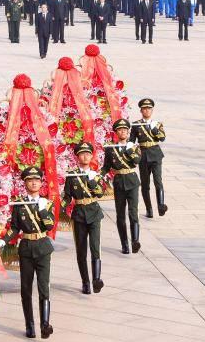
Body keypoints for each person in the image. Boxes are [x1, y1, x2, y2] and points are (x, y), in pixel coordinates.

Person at [0, 167, 55, 339]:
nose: (34, 182)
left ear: (41, 182)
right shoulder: (19, 204)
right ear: (25, 183)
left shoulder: (47, 203)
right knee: (26, 289)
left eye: (37, 180)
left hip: (43, 246)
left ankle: (45, 324)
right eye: (30, 180)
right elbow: (15, 227)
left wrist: (43, 209)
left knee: (44, 287)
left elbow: (50, 226)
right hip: (27, 248)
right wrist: (3, 240)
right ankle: (29, 325)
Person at [62, 142, 105, 295]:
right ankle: (85, 282)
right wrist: (60, 205)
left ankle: (96, 279)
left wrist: (92, 179)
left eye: (88, 153)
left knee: (95, 247)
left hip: (94, 212)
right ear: (77, 156)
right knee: (81, 251)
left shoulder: (96, 174)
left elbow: (100, 193)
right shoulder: (72, 175)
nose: (85, 156)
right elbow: (67, 196)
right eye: (82, 154)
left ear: (91, 156)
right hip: (79, 214)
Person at [102, 118, 141, 254]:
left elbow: (137, 161)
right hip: (119, 182)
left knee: (133, 212)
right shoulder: (111, 149)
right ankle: (124, 244)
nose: (123, 131)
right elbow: (106, 167)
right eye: (120, 130)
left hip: (132, 181)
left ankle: (135, 241)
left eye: (125, 129)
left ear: (129, 132)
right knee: (120, 215)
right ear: (116, 132)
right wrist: (97, 175)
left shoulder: (134, 146)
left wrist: (129, 150)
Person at [131, 98, 167, 218]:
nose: (147, 111)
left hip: (155, 154)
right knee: (145, 184)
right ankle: (149, 209)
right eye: (144, 109)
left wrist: (154, 128)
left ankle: (161, 205)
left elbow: (162, 138)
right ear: (141, 110)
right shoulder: (136, 125)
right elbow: (131, 142)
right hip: (144, 156)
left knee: (158, 181)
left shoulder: (157, 124)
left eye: (149, 109)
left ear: (152, 110)